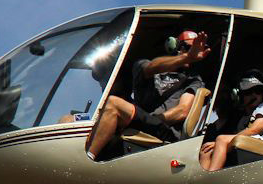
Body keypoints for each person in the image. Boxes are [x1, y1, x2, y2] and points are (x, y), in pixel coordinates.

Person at [85, 31, 212, 160]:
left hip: (164, 130)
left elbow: (182, 111)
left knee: (114, 104)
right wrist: (187, 57)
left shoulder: (193, 80)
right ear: (174, 47)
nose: (191, 52)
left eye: (195, 49)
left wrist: (142, 120)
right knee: (69, 119)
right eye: (187, 47)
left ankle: (87, 159)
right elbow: (151, 67)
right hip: (139, 120)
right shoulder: (143, 65)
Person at [199, 72, 263, 172]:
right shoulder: (244, 118)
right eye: (249, 92)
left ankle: (211, 175)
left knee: (221, 139)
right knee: (207, 150)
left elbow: (254, 130)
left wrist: (218, 143)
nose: (254, 95)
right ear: (240, 96)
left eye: (258, 91)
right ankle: (202, 177)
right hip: (256, 142)